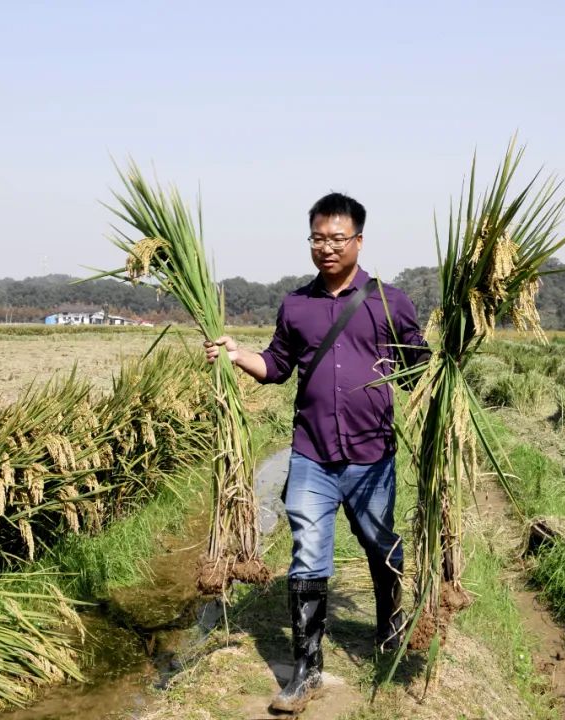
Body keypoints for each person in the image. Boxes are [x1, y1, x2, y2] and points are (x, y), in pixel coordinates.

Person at [205, 192, 427, 713]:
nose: (326, 248)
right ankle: (306, 671)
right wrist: (237, 355)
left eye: (337, 238)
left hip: (372, 454)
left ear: (358, 241)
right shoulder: (296, 305)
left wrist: (446, 356)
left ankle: (389, 627)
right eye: (317, 238)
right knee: (308, 551)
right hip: (310, 454)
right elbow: (277, 365)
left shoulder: (390, 302)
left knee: (379, 542)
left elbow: (420, 366)